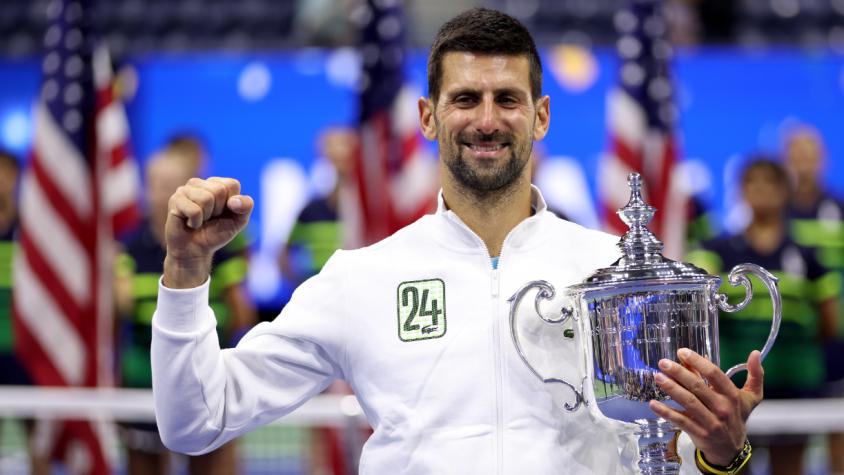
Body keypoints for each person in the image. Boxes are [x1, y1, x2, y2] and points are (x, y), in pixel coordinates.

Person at [152, 8, 764, 474]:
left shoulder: (614, 270)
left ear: (542, 116)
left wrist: (723, 452)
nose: (487, 120)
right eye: (465, 99)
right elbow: (194, 420)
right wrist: (186, 269)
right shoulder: (361, 278)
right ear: (427, 116)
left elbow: (677, 449)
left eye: (509, 100)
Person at [687, 158, 840, 475]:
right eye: (753, 182)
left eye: (771, 182)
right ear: (741, 190)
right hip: (734, 387)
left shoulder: (808, 254)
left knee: (790, 468)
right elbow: (698, 306)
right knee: (735, 464)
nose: (762, 190)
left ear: (786, 191)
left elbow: (828, 323)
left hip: (795, 386)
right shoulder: (718, 249)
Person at [114, 140, 256, 475]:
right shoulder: (128, 247)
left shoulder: (222, 244)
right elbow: (117, 314)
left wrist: (209, 351)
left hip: (208, 383)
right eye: (155, 184)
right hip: (141, 384)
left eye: (169, 185)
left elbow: (242, 314)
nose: (161, 193)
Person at [782, 125, 844, 475]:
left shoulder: (839, 208)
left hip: (837, 339)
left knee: (839, 423)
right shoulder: (775, 214)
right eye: (797, 153)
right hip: (796, 343)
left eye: (811, 153)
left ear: (822, 159)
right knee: (792, 434)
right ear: (788, 159)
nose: (804, 161)